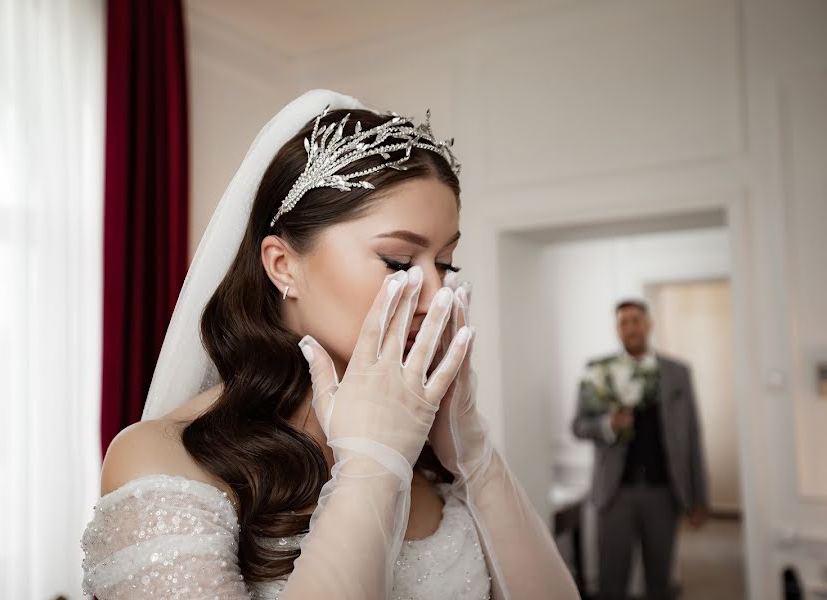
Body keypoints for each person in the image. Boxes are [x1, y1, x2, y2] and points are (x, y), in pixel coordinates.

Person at [81, 89, 579, 600]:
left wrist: (476, 457)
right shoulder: (164, 458)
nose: (435, 295)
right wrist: (369, 468)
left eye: (446, 264)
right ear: (283, 265)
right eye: (399, 262)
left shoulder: (431, 451)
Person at [572, 299, 709, 600]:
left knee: (660, 581)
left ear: (648, 324)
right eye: (623, 322)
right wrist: (608, 424)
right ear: (617, 330)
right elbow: (579, 425)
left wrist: (699, 498)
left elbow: (692, 435)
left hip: (664, 492)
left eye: (636, 320)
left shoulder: (678, 373)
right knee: (611, 580)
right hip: (615, 493)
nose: (631, 327)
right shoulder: (598, 370)